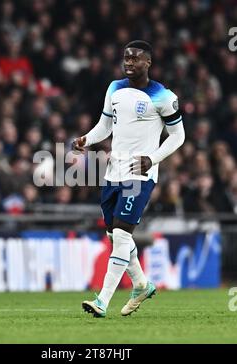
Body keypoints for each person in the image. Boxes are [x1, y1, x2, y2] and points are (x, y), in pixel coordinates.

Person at [72, 40, 185, 317]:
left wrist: (153, 158)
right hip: (113, 172)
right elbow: (105, 126)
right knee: (114, 234)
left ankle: (102, 301)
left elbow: (178, 136)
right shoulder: (115, 88)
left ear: (148, 63)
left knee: (122, 234)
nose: (129, 63)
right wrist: (87, 139)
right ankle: (142, 284)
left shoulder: (163, 96)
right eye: (126, 58)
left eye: (135, 59)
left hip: (140, 174)